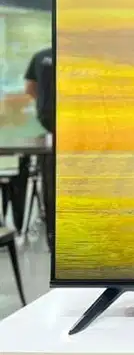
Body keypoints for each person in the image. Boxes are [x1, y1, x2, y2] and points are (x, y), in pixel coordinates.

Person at [24, 46, 54, 247]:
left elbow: (30, 88)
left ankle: (52, 234)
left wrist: (44, 102)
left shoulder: (41, 55)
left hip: (50, 120)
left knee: (51, 178)